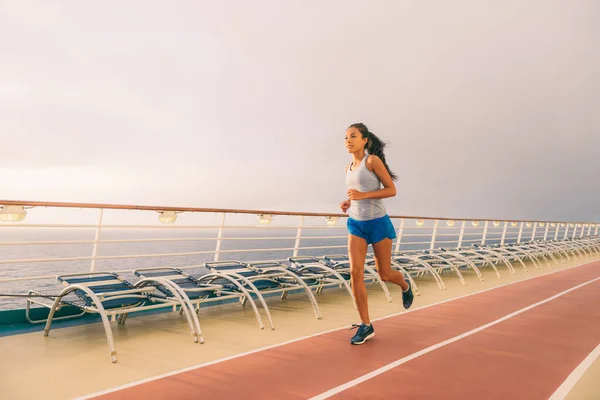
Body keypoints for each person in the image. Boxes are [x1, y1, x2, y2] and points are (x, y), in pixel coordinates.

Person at [340, 123, 414, 345]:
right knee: (355, 272)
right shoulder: (348, 168)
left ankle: (405, 285)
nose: (348, 140)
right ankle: (366, 325)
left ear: (364, 140)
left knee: (384, 274)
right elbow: (357, 194)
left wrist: (363, 196)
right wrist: (349, 201)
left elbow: (391, 190)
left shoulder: (371, 161)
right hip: (356, 224)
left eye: (353, 136)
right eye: (345, 137)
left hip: (378, 224)